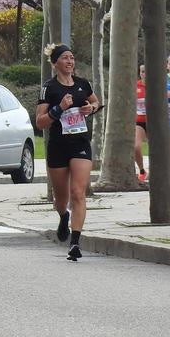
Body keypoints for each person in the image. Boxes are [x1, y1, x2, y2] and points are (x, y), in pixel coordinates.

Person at [36, 44, 102, 261]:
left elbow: (95, 101)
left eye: (72, 57)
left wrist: (91, 109)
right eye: (65, 58)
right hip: (58, 146)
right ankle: (64, 216)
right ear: (55, 63)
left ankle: (75, 242)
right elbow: (41, 122)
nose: (70, 61)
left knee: (78, 193)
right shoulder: (49, 88)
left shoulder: (83, 84)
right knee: (61, 199)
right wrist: (59, 108)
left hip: (80, 142)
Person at [134, 64, 148, 182]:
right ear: (140, 73)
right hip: (139, 122)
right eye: (142, 71)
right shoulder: (135, 86)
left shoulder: (156, 86)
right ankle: (142, 170)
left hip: (154, 123)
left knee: (157, 149)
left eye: (147, 71)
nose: (145, 74)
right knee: (136, 146)